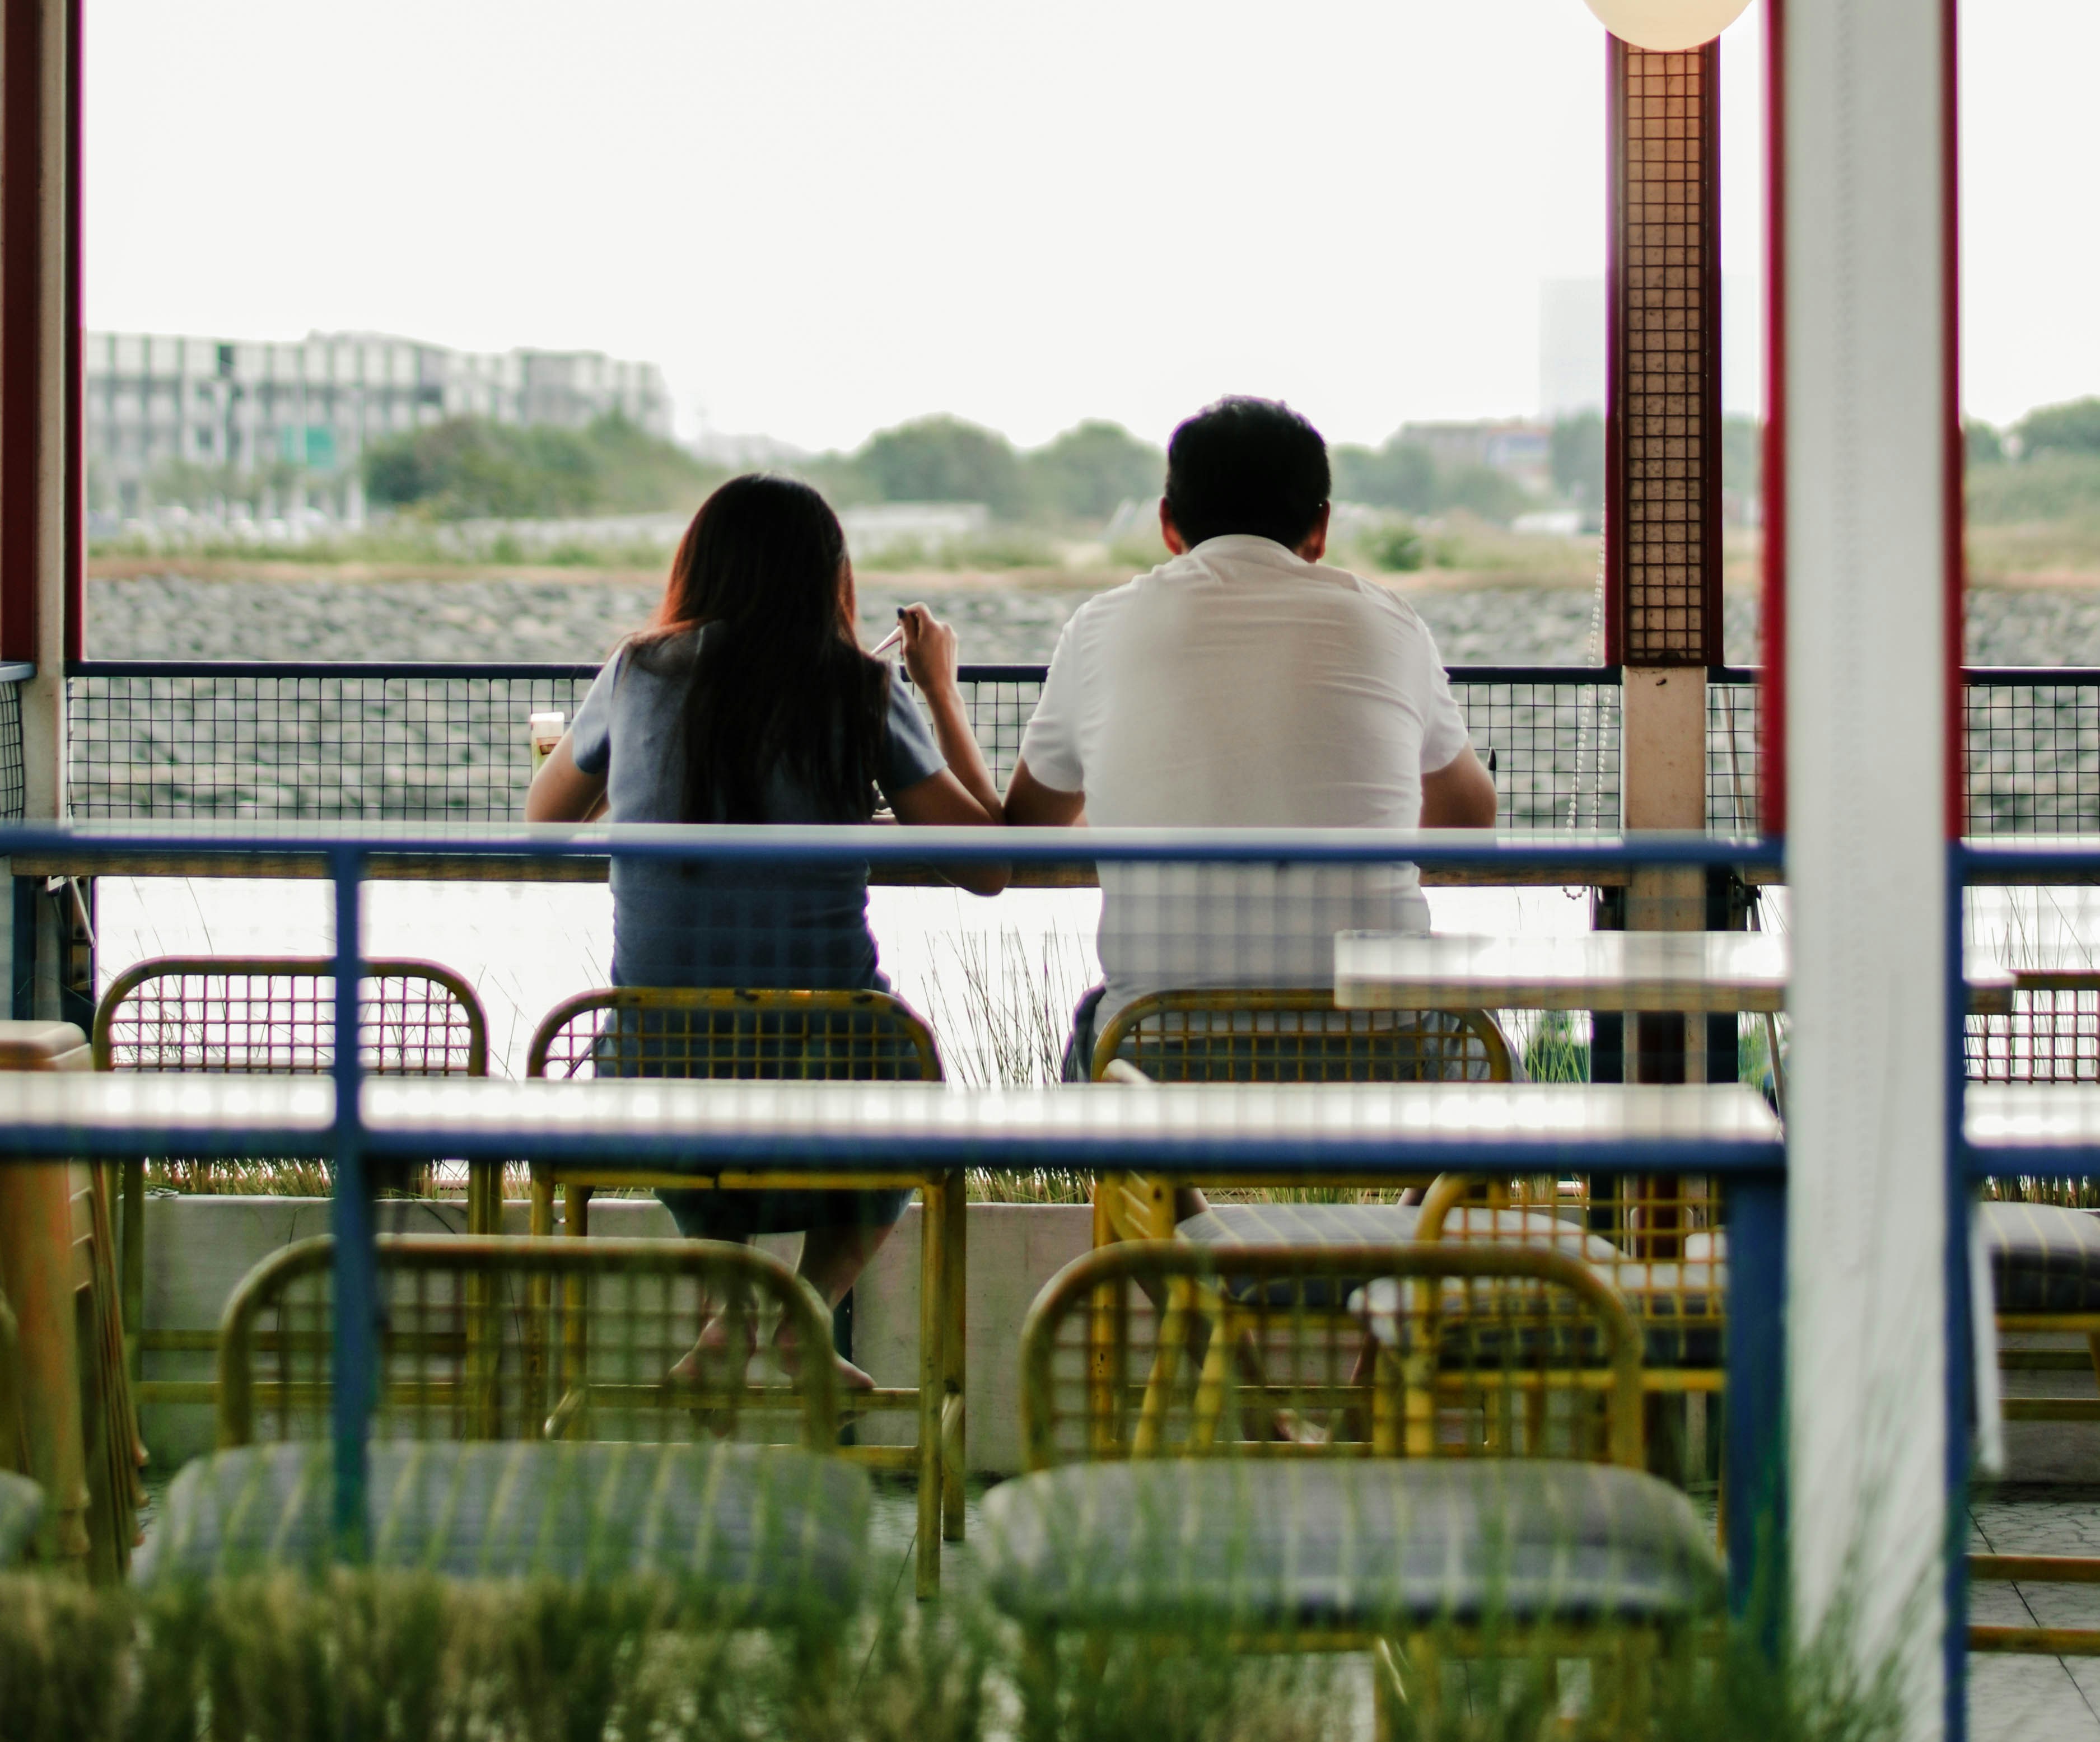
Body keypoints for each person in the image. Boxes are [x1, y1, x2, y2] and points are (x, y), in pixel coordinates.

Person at [526, 471, 1005, 1370]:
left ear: (699, 565)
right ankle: (799, 1309)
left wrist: (637, 781)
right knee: (914, 1083)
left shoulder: (637, 671)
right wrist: (936, 687)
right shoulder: (855, 688)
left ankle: (734, 1314)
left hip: (651, 1073)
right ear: (828, 578)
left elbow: (541, 821)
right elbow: (987, 865)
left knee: (700, 1048)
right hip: (830, 1061)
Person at [1003, 395, 1497, 1075]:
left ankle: (1174, 1191)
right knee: (1483, 1045)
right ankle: (1433, 1189)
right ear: (1320, 527)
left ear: (1167, 524)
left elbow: (1027, 827)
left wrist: (1140, 811)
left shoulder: (1098, 627)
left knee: (1099, 1022)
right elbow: (1470, 822)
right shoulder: (1389, 624)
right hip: (1385, 1051)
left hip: (1159, 1053)